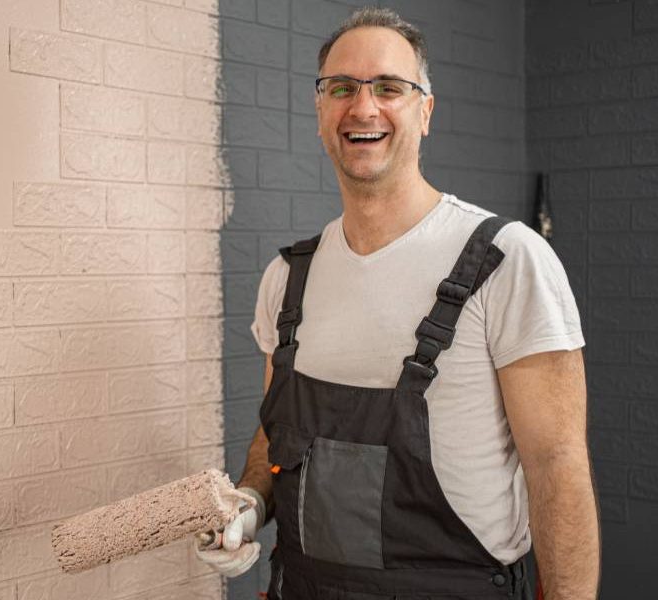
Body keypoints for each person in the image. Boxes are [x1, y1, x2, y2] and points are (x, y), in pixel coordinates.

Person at [194, 7, 600, 600]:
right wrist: (250, 503)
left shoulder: (508, 261)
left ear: (424, 111)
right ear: (320, 111)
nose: (363, 108)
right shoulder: (287, 278)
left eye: (389, 87)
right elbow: (274, 432)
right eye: (342, 88)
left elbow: (557, 469)